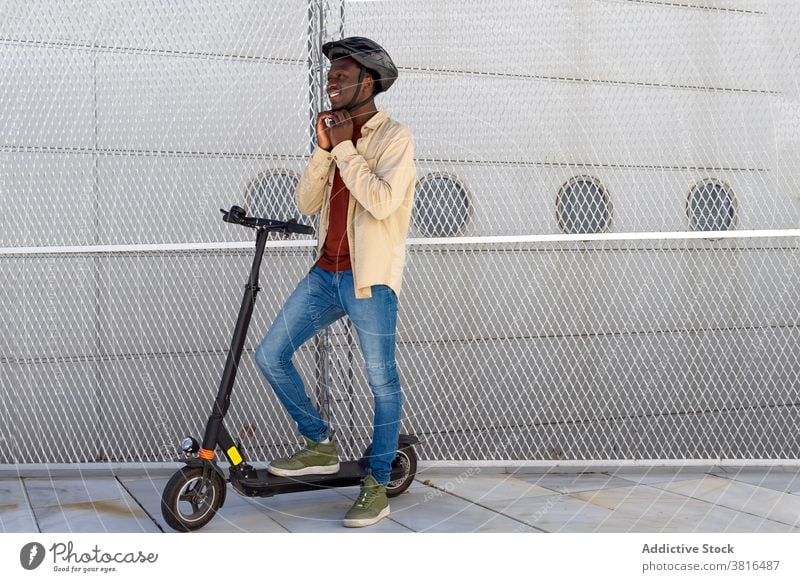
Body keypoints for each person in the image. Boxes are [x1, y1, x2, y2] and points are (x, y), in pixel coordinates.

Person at [253, 37, 416, 528]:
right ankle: (319, 443)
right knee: (270, 354)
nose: (331, 84)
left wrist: (345, 147)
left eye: (341, 77)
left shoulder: (396, 138)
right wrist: (325, 151)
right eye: (329, 77)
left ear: (368, 82)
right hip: (326, 274)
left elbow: (383, 202)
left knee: (382, 383)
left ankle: (376, 484)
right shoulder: (332, 137)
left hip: (369, 282)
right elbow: (306, 203)